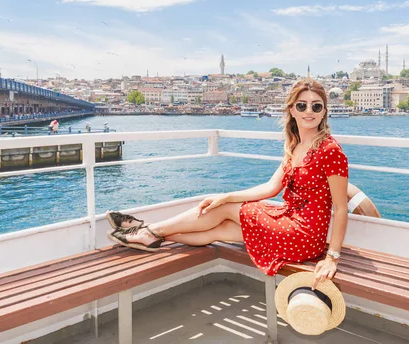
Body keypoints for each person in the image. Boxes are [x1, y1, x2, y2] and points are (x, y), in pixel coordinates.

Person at [108, 78, 349, 288]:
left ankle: (150, 230)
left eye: (316, 106)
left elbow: (339, 209)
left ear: (324, 111)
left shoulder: (330, 150)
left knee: (223, 210)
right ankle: (152, 235)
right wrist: (226, 195)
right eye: (302, 105)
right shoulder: (296, 146)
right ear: (292, 111)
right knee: (220, 229)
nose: (309, 111)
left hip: (304, 236)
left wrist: (332, 257)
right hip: (289, 222)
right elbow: (271, 188)